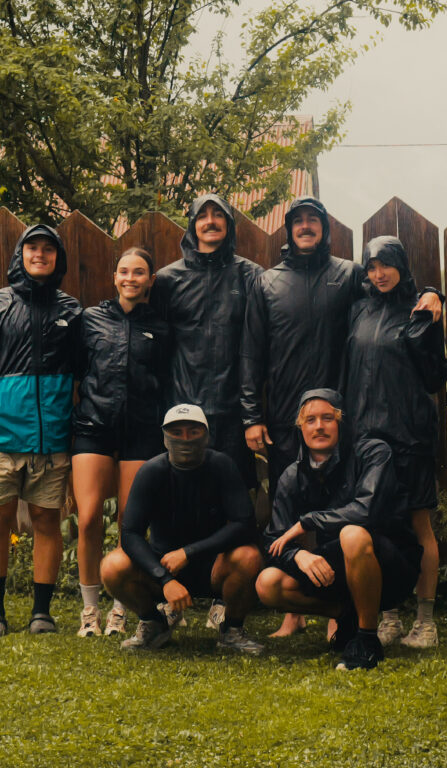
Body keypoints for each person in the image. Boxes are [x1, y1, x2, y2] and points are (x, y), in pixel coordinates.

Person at [240, 196, 442, 637]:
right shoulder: (267, 282)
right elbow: (251, 353)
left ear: (326, 228)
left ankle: (363, 611)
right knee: (296, 505)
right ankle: (296, 614)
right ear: (289, 229)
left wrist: (433, 291)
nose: (306, 227)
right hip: (288, 418)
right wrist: (252, 414)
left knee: (354, 514)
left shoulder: (348, 276)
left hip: (346, 421)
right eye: (299, 221)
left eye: (314, 220)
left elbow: (398, 286)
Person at [0, 224, 81, 637]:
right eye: (32, 248)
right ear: (20, 255)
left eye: (48, 249)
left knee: (46, 519)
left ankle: (42, 613)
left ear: (58, 257)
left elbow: (87, 371)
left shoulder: (71, 311)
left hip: (52, 438)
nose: (40, 254)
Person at [151, 193, 263, 630]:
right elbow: (154, 345)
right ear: (191, 224)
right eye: (204, 216)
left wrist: (251, 413)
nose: (211, 222)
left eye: (220, 215)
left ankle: (224, 598)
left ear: (230, 225)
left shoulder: (250, 275)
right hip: (182, 411)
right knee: (176, 504)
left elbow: (256, 347)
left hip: (233, 412)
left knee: (233, 506)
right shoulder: (167, 279)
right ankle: (171, 595)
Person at [256, 389, 422, 670]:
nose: (319, 426)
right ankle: (348, 618)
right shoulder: (292, 475)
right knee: (268, 583)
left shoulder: (373, 452)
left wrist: (308, 521)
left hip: (390, 565)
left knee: (352, 533)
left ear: (341, 423)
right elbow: (274, 539)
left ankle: (367, 640)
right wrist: (299, 556)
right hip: (335, 570)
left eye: (327, 418)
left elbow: (366, 511)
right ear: (301, 428)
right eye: (310, 420)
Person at [345, 236, 447, 649]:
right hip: (365, 440)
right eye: (371, 266)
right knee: (374, 528)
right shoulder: (358, 310)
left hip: (409, 438)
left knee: (418, 526)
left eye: (386, 264)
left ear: (402, 266)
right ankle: (387, 616)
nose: (378, 273)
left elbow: (435, 379)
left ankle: (426, 623)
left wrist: (431, 305)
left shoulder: (420, 312)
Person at [100, 404, 264, 654]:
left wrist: (188, 553)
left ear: (206, 436)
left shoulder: (222, 465)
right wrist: (163, 578)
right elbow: (131, 533)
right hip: (164, 567)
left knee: (249, 556)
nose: (185, 439)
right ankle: (153, 624)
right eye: (177, 433)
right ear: (165, 438)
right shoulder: (151, 471)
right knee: (112, 565)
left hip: (213, 569)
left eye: (193, 432)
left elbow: (244, 524)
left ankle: (232, 630)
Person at [71, 247, 171, 638]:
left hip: (141, 433)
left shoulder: (161, 328)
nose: (131, 278)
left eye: (139, 272)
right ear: (114, 277)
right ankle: (89, 611)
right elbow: (77, 371)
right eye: (124, 272)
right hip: (94, 428)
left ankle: (120, 609)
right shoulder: (90, 320)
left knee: (129, 522)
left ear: (151, 280)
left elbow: (166, 381)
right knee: (89, 516)